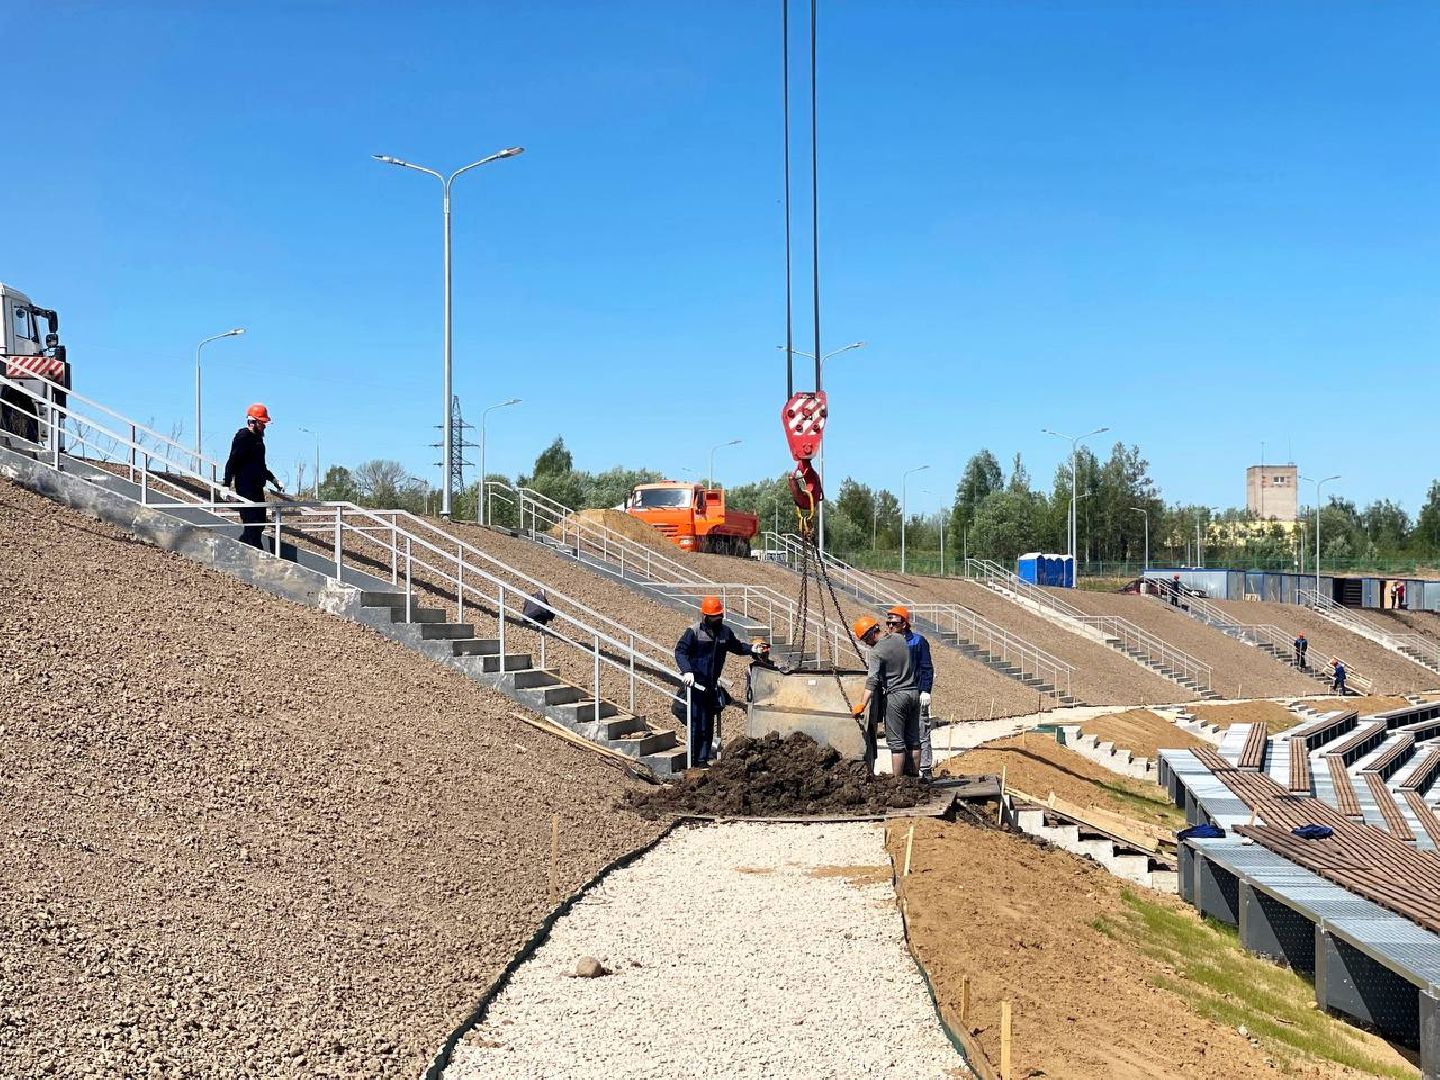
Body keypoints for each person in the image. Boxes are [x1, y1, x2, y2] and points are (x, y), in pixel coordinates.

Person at [675, 596, 766, 767]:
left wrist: (751, 649)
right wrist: (687, 671)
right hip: (695, 685)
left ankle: (702, 760)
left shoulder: (725, 632)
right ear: (705, 616)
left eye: (719, 616)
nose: (717, 619)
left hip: (710, 685)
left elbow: (736, 646)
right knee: (696, 722)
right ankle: (693, 762)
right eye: (714, 617)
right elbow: (681, 652)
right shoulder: (694, 632)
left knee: (707, 725)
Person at [852, 613, 921, 778]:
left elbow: (872, 681)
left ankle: (898, 784)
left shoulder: (877, 652)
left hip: (896, 697)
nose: (866, 644)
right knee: (914, 741)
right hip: (913, 693)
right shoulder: (899, 639)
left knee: (897, 744)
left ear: (869, 636)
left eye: (864, 640)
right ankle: (915, 780)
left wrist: (862, 704)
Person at [222, 403, 283, 549]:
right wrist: (226, 484)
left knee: (260, 521)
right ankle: (256, 553)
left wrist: (273, 479)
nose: (264, 427)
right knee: (252, 523)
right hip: (245, 488)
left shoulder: (258, 440)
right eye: (262, 423)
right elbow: (232, 460)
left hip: (257, 488)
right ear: (252, 422)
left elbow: (260, 466)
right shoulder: (243, 437)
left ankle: (240, 546)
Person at [887, 605, 936, 781]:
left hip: (916, 693)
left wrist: (925, 690)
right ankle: (907, 772)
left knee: (920, 732)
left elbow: (926, 667)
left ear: (905, 623)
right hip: (897, 695)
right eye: (888, 623)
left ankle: (925, 768)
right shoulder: (888, 642)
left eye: (894, 623)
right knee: (901, 736)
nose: (891, 626)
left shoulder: (917, 641)